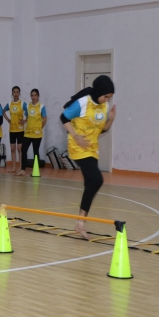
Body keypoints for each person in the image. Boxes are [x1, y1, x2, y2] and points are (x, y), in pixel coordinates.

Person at [60, 75, 116, 239]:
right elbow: (64, 117)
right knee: (97, 180)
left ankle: (80, 223)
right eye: (106, 96)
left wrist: (110, 120)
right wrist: (76, 136)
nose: (107, 100)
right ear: (99, 91)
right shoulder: (83, 102)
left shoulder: (104, 106)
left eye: (109, 97)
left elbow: (102, 129)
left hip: (92, 149)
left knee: (90, 183)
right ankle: (80, 222)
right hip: (78, 147)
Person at [17, 89, 47, 176]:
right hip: (28, 133)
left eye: (35, 95)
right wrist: (24, 121)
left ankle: (36, 171)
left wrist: (39, 128)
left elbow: (44, 119)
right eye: (32, 95)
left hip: (37, 134)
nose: (33, 97)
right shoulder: (28, 106)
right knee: (23, 149)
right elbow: (27, 118)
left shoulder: (42, 106)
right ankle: (23, 170)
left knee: (35, 151)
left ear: (38, 96)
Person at [4, 86, 27, 174]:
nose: (16, 94)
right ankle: (13, 167)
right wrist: (8, 120)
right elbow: (2, 111)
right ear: (12, 93)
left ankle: (20, 167)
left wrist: (25, 120)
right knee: (12, 148)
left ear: (19, 93)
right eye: (14, 92)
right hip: (12, 130)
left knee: (19, 149)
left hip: (20, 130)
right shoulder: (9, 104)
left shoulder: (23, 104)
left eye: (17, 92)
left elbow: (29, 112)